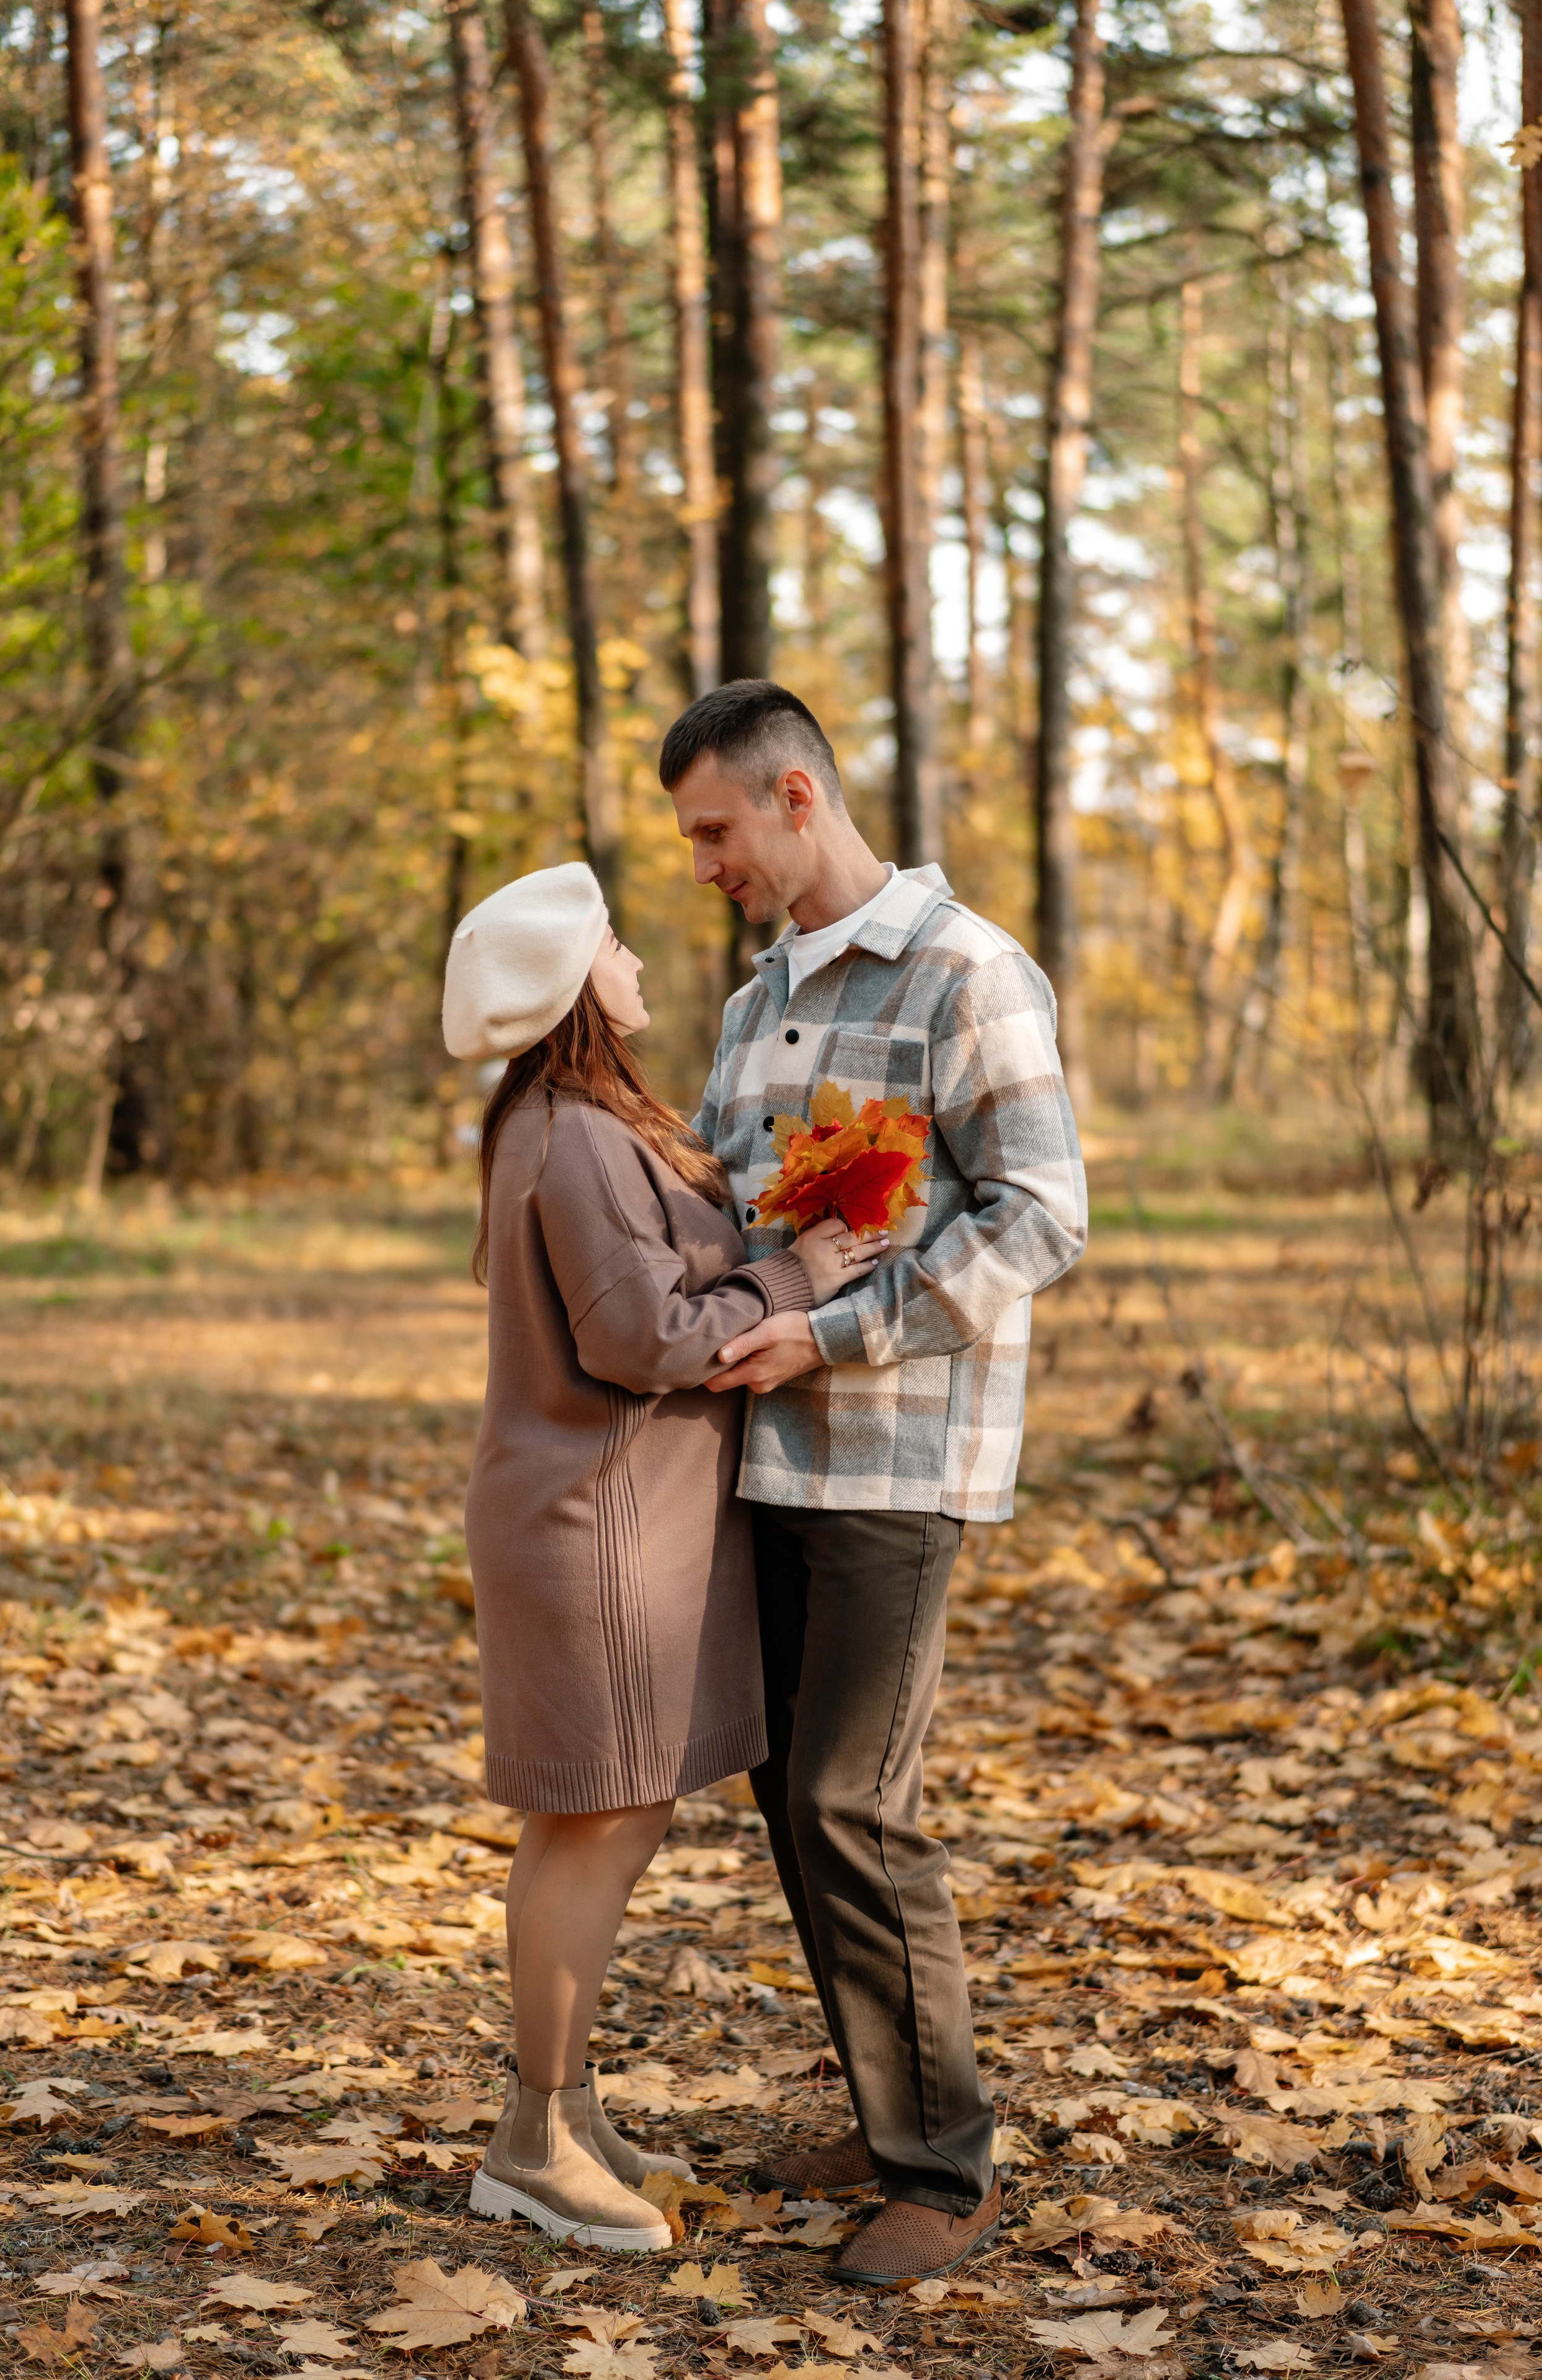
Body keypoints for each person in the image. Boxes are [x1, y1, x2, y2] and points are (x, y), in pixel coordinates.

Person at [658, 682, 1088, 2285]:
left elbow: (1041, 1214)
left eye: (713, 829)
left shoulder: (966, 971)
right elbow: (728, 1200)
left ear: (792, 797)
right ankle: (893, 2097)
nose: (702, 862)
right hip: (765, 1453)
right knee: (791, 1791)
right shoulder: (759, 992)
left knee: (855, 1797)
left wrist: (830, 1329)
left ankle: (945, 2169)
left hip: (897, 1460)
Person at [443, 861, 882, 2253]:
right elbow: (638, 1337)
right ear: (578, 980)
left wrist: (775, 1228)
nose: (637, 956)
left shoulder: (576, 1119)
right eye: (614, 941)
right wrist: (796, 1278)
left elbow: (657, 1282)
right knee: (594, 1814)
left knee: (607, 1813)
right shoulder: (570, 1131)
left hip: (610, 1512)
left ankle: (564, 2112)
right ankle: (530, 2136)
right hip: (595, 1521)